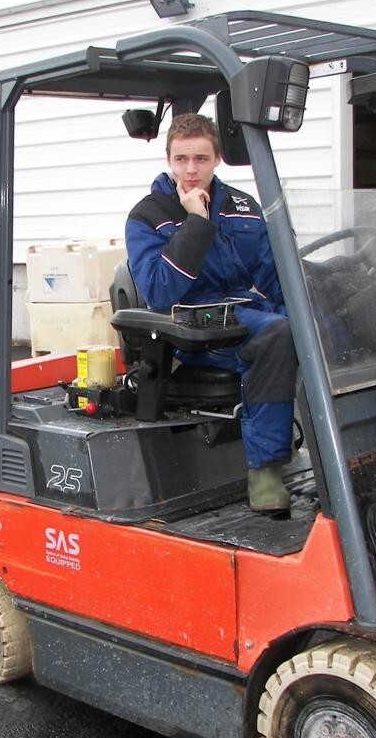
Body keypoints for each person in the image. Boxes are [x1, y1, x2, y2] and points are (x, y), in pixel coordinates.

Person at [125, 113, 297, 515]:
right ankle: (265, 473)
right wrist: (197, 224)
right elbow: (159, 292)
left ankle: (342, 452)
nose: (191, 169)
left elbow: (274, 276)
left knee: (318, 322)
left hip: (242, 313)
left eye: (200, 159)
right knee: (278, 334)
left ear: (217, 158)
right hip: (192, 328)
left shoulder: (243, 207)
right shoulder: (148, 216)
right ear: (168, 159)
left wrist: (314, 304)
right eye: (181, 159)